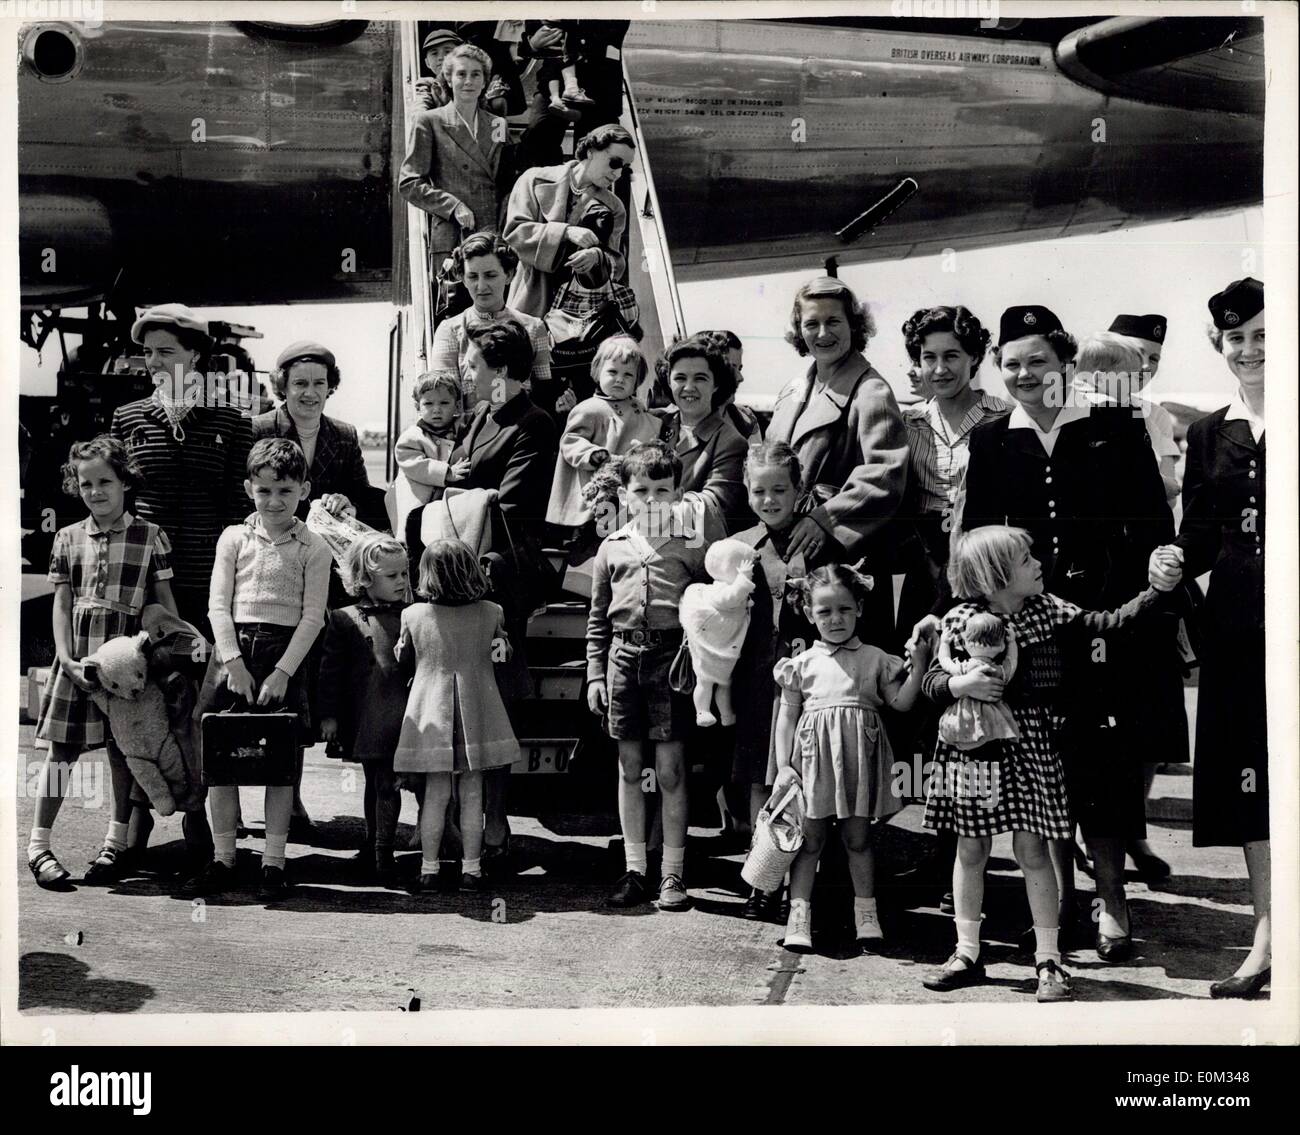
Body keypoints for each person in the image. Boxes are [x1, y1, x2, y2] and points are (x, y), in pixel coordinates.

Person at [960, 304, 1177, 960]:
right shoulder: (992, 438)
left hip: (1104, 624)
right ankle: (1057, 900)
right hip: (1031, 628)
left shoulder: (1116, 426)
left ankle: (1112, 898)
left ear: (1067, 366)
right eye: (1013, 363)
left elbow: (1150, 526)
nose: (1026, 374)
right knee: (1044, 764)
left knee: (1106, 764)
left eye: (1039, 362)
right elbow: (974, 540)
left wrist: (1155, 583)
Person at [920, 527, 1164, 1002]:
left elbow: (1107, 623)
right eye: (1026, 558)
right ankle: (966, 951)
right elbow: (933, 679)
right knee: (970, 850)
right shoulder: (958, 619)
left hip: (1032, 745)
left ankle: (1048, 959)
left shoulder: (1047, 609)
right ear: (995, 577)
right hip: (976, 748)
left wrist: (1156, 593)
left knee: (1033, 850)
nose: (1038, 563)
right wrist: (960, 687)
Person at [1148, 277, 1269, 999]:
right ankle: (1267, 938)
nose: (1250, 349)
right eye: (1236, 337)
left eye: (1263, 333)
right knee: (1252, 782)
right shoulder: (1206, 431)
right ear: (1219, 344)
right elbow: (1195, 536)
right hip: (1238, 633)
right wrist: (1168, 558)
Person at [111, 302, 252, 871]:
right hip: (143, 588)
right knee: (141, 703)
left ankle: (200, 818)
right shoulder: (128, 419)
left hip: (204, 585)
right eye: (148, 352)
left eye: (166, 351)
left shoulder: (231, 422)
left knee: (199, 705)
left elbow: (241, 509)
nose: (154, 362)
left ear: (195, 355)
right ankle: (131, 824)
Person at [181, 439, 332, 902]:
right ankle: (224, 858)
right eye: (264, 490)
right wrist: (233, 662)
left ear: (304, 489)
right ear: (250, 488)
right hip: (234, 660)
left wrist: (283, 671)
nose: (274, 501)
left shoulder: (315, 547)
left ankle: (274, 863)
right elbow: (216, 605)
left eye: (285, 490)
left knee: (279, 765)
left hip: (284, 659)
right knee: (221, 762)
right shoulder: (234, 538)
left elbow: (313, 617)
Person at [27, 437, 179, 889]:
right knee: (61, 751)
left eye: (105, 482)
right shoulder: (67, 537)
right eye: (86, 483)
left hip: (124, 668)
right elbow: (61, 602)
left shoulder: (151, 536)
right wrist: (66, 658)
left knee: (122, 753)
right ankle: (39, 844)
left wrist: (162, 656)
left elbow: (164, 609)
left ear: (125, 482)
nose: (96, 492)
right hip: (79, 663)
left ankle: (116, 841)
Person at [446, 319, 559, 872]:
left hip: (500, 572)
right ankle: (460, 819)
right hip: (463, 567)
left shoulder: (535, 424)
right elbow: (470, 490)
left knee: (494, 702)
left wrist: (458, 494)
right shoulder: (479, 417)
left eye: (473, 365)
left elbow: (508, 507)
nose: (466, 372)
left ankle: (494, 817)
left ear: (503, 371)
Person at [772, 564, 930, 952]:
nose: (835, 619)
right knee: (809, 841)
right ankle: (799, 914)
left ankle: (866, 913)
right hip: (812, 763)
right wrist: (783, 768)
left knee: (858, 838)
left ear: (859, 607)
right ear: (809, 614)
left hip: (859, 761)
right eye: (824, 612)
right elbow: (787, 715)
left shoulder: (876, 658)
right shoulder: (802, 663)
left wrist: (921, 664)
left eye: (844, 609)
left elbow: (902, 702)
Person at [586, 443, 708, 912]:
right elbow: (597, 618)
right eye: (642, 490)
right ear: (625, 494)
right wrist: (596, 674)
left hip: (672, 663)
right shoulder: (612, 546)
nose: (653, 499)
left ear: (678, 493)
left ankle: (673, 874)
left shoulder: (690, 547)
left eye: (663, 490)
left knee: (673, 770)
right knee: (629, 768)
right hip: (622, 661)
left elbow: (706, 609)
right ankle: (635, 869)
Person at [767, 277, 908, 646]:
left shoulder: (871, 391)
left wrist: (825, 518)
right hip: (792, 557)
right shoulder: (795, 389)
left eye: (834, 322)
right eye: (811, 323)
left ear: (854, 327)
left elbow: (885, 475)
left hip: (841, 567)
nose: (823, 332)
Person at [396, 539, 520, 895]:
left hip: (431, 710)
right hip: (478, 708)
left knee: (435, 794)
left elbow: (404, 659)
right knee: (472, 793)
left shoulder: (413, 615)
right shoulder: (491, 612)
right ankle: (471, 870)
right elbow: (501, 655)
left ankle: (429, 870)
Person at [730, 441, 821, 920]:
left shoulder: (822, 540)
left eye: (780, 490)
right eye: (760, 491)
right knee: (760, 780)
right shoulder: (740, 546)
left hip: (812, 689)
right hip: (759, 687)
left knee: (809, 780)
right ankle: (762, 877)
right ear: (747, 491)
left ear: (798, 489)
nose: (770, 500)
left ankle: (808, 884)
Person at [317, 535, 412, 887]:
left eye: (404, 573)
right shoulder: (344, 619)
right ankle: (378, 848)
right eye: (392, 576)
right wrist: (328, 715)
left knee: (388, 783)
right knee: (378, 782)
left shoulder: (412, 615)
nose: (402, 581)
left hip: (403, 716)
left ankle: (382, 849)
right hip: (368, 717)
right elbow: (330, 672)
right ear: (365, 578)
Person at [399, 42, 514, 301]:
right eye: (461, 74)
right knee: (454, 312)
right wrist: (453, 206)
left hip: (493, 234)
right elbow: (408, 183)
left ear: (485, 81)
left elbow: (505, 181)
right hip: (454, 234)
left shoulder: (497, 124)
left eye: (476, 74)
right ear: (449, 79)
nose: (468, 81)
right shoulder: (430, 121)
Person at [503, 123, 634, 317]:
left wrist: (596, 257)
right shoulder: (534, 179)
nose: (618, 173)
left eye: (625, 167)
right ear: (591, 151)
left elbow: (616, 261)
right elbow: (515, 235)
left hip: (581, 309)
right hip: (531, 297)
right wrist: (565, 232)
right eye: (614, 162)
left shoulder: (615, 207)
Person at [429, 233, 561, 411]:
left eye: (490, 275)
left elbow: (544, 394)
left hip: (520, 432)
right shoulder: (450, 331)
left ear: (508, 275)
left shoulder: (533, 328)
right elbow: (444, 399)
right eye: (473, 277)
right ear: (462, 277)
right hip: (471, 433)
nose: (481, 286)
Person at [546, 334, 660, 533]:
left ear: (637, 380)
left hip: (631, 483)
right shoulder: (590, 409)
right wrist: (591, 453)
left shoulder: (638, 407)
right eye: (612, 372)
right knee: (600, 529)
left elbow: (648, 428)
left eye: (628, 375)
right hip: (599, 487)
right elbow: (571, 441)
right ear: (598, 372)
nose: (619, 379)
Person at [652, 333, 751, 535]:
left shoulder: (731, 442)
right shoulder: (654, 424)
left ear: (716, 384)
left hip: (691, 549)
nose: (689, 387)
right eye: (680, 378)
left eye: (700, 378)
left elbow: (713, 508)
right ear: (669, 381)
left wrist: (644, 505)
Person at [1081, 328, 1181, 505]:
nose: (1145, 366)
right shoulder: (1102, 408)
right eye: (1138, 354)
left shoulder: (1154, 414)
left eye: (1154, 359)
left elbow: (1169, 499)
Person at [393, 372, 470, 532]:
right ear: (417, 407)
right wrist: (446, 473)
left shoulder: (460, 429)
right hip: (417, 502)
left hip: (442, 506)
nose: (436, 410)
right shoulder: (413, 436)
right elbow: (414, 464)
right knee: (413, 533)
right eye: (428, 404)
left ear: (456, 406)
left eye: (444, 403)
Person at [702, 330, 763, 441]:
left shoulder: (746, 422)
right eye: (731, 368)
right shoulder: (669, 422)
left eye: (739, 368)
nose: (740, 378)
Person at [412, 27, 463, 110]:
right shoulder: (427, 85)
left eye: (447, 51)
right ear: (427, 63)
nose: (441, 57)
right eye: (434, 53)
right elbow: (420, 108)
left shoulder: (470, 80)